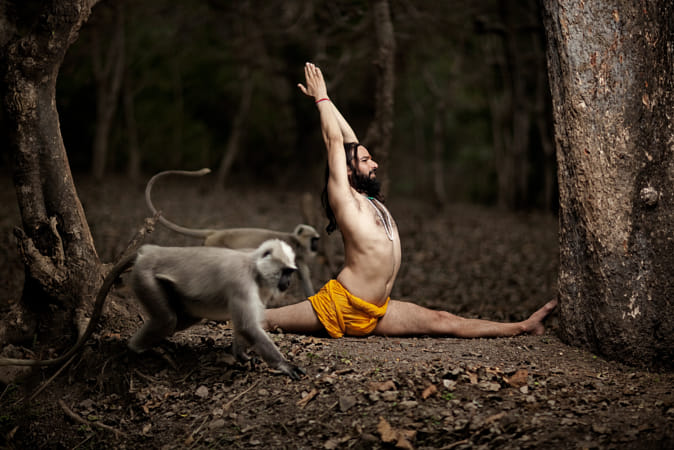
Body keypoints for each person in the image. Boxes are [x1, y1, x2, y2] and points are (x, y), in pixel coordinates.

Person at [264, 62, 557, 339]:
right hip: (341, 305)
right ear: (349, 169)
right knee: (264, 319)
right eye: (366, 160)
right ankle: (220, 310)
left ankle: (522, 326)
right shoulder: (344, 196)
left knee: (442, 320)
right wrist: (321, 100)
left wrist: (327, 100)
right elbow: (335, 141)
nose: (375, 163)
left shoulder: (368, 199)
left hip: (377, 311)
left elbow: (348, 137)